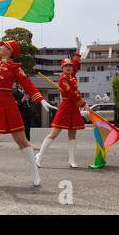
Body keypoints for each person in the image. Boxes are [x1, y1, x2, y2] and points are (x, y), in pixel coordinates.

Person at [0, 20, 56, 187]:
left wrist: (41, 100)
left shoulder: (16, 68)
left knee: (22, 140)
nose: (0, 47)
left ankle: (35, 173)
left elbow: (27, 84)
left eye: (3, 46)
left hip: (9, 105)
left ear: (10, 52)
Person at [35, 38, 87, 169]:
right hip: (66, 107)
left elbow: (75, 62)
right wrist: (83, 104)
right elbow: (71, 94)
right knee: (54, 133)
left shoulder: (72, 75)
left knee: (73, 134)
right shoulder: (63, 78)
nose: (69, 67)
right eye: (66, 66)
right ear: (62, 68)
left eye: (70, 66)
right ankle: (39, 157)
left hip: (74, 108)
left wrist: (78, 50)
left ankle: (72, 160)